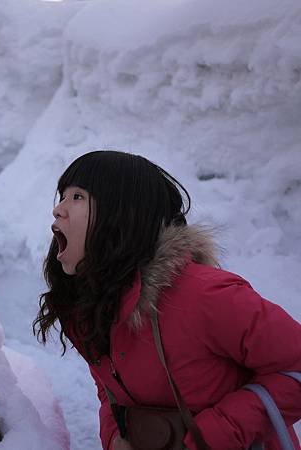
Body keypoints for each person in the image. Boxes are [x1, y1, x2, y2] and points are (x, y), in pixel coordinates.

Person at [33, 150, 301, 450]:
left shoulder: (206, 295)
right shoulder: (88, 306)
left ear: (122, 214)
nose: (58, 209)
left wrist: (217, 434)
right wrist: (113, 436)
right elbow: (109, 388)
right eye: (62, 196)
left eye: (78, 197)